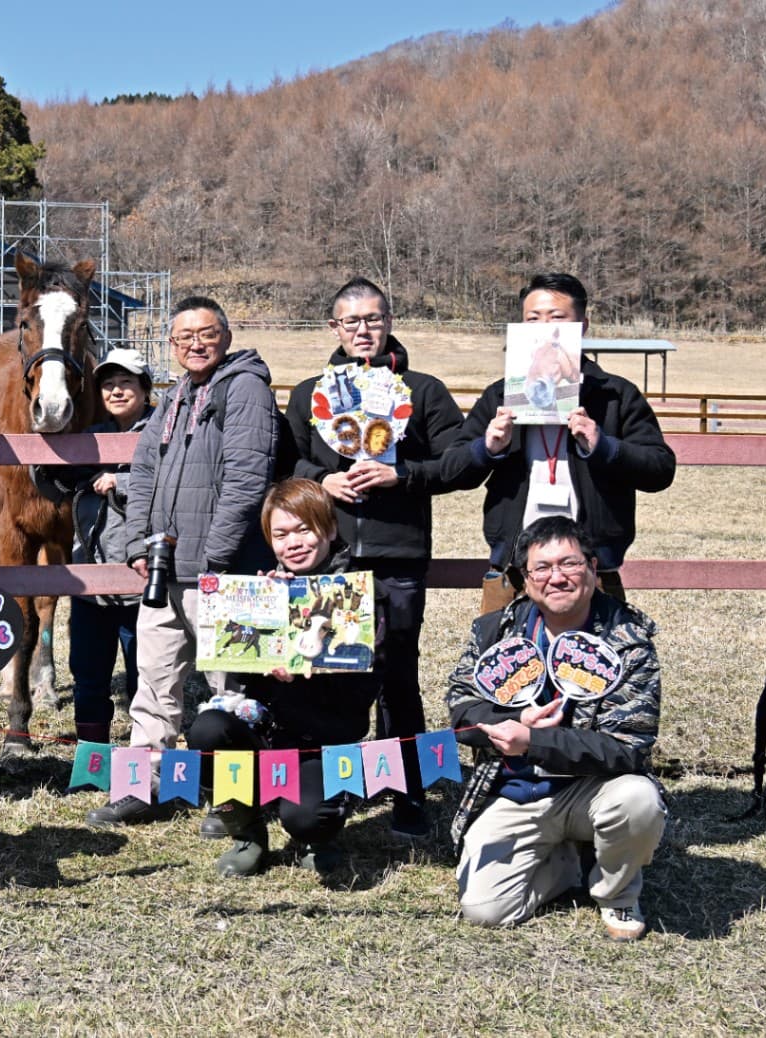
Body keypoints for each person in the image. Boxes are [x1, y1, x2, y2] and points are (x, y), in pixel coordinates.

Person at [283, 277, 469, 841]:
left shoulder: (425, 390)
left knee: (397, 676)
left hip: (397, 556)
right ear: (334, 327)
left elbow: (462, 461)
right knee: (324, 674)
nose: (362, 329)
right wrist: (323, 480)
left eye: (373, 318)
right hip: (328, 559)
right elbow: (286, 459)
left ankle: (406, 789)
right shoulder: (311, 393)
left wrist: (403, 474)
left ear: (388, 321)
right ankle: (329, 786)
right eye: (350, 321)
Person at [89, 296, 277, 827]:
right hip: (165, 570)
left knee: (233, 689)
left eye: (206, 333)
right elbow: (143, 472)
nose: (195, 343)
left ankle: (237, 798)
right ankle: (141, 787)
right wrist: (138, 546)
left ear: (226, 336)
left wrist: (216, 554)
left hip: (226, 572)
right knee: (152, 682)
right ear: (172, 346)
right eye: (183, 337)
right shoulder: (174, 399)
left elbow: (247, 480)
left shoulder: (247, 391)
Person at [445, 517, 665, 941]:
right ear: (525, 580)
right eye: (541, 568)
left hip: (594, 789)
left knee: (639, 799)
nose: (557, 578)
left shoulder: (628, 639)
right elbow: (460, 705)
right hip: (516, 793)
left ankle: (616, 894)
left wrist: (535, 740)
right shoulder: (495, 632)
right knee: (485, 911)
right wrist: (501, 723)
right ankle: (566, 866)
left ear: (593, 568)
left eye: (570, 564)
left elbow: (629, 747)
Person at [444, 273, 676, 613]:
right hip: (514, 569)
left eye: (557, 318)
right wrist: (487, 448)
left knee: (592, 665)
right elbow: (452, 470)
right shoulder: (500, 395)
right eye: (532, 319)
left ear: (582, 325)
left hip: (593, 568)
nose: (544, 329)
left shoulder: (614, 394)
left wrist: (603, 446)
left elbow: (660, 469)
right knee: (503, 664)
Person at [187, 479, 378, 881]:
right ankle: (248, 833)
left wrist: (305, 669)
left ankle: (318, 838)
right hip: (267, 730)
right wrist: (262, 621)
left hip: (324, 740)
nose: (293, 542)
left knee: (306, 817)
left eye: (303, 529)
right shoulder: (262, 589)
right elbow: (235, 670)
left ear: (328, 529)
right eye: (281, 534)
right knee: (208, 731)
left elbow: (362, 693)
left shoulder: (357, 597)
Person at [29, 348, 156, 745]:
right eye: (109, 385)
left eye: (127, 383)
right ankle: (92, 763)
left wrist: (123, 483)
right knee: (88, 675)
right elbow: (50, 484)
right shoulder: (89, 439)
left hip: (143, 581)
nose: (117, 391)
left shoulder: (163, 434)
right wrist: (43, 452)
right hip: (91, 580)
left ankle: (142, 761)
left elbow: (178, 486)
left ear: (145, 389)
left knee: (145, 677)